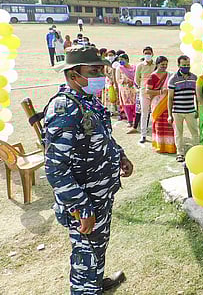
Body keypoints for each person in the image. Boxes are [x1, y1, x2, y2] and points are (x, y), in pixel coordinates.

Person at [44, 45, 133, 293]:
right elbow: (55, 168)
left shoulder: (87, 101)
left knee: (96, 247)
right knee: (85, 253)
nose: (101, 77)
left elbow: (101, 136)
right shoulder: (64, 109)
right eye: (94, 71)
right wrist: (81, 207)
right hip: (84, 202)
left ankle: (94, 283)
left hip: (100, 195)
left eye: (101, 70)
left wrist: (120, 156)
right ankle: (85, 288)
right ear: (74, 75)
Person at [167, 55, 199, 162]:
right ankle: (180, 153)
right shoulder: (173, 79)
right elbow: (170, 98)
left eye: (188, 65)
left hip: (190, 110)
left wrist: (197, 110)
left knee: (195, 132)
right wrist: (169, 114)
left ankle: (196, 151)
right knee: (178, 133)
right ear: (178, 65)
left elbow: (197, 96)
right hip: (177, 112)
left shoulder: (194, 78)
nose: (186, 67)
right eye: (184, 65)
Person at [146, 56, 176, 154]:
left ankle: (170, 146)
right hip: (157, 103)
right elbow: (147, 91)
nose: (164, 66)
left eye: (166, 64)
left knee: (168, 124)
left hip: (168, 103)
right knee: (159, 125)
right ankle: (160, 146)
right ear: (157, 64)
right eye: (162, 64)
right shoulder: (153, 76)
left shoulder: (170, 75)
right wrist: (160, 91)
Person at [135, 46, 156, 143]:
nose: (147, 55)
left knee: (156, 113)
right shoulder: (140, 65)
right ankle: (143, 135)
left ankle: (156, 134)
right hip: (144, 92)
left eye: (149, 53)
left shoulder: (156, 65)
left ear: (152, 54)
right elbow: (136, 80)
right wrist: (143, 86)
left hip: (155, 92)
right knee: (144, 113)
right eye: (146, 53)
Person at [115, 54, 137, 127]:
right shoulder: (119, 68)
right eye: (119, 60)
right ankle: (130, 120)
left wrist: (133, 82)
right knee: (127, 106)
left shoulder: (134, 68)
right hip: (125, 90)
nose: (120, 61)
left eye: (122, 59)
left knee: (135, 105)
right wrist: (125, 81)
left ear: (127, 60)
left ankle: (135, 120)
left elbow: (137, 78)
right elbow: (118, 80)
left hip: (134, 89)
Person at [102, 50, 119, 115]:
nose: (110, 57)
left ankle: (117, 110)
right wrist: (110, 77)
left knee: (115, 95)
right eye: (109, 55)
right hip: (108, 81)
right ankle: (110, 110)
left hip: (115, 81)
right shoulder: (107, 63)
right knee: (109, 96)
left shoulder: (116, 64)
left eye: (111, 55)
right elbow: (105, 72)